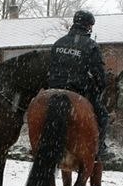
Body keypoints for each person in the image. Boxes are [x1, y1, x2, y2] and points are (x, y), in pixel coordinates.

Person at [48, 10, 113, 160]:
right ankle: (99, 149)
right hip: (78, 91)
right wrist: (98, 88)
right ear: (88, 26)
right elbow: (99, 75)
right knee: (103, 115)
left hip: (54, 89)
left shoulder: (58, 43)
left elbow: (51, 68)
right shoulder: (91, 45)